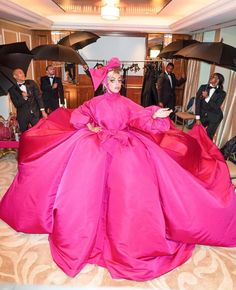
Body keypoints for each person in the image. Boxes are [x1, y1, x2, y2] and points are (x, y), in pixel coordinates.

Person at [0, 57, 235, 281]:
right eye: (112, 81)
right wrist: (90, 126)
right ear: (104, 82)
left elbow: (140, 118)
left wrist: (155, 114)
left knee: (130, 191)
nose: (116, 84)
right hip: (98, 147)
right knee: (86, 189)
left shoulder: (126, 102)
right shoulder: (95, 102)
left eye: (119, 80)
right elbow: (78, 116)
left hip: (125, 148)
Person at [8, 68, 47, 133]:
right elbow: (16, 104)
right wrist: (24, 98)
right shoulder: (12, 89)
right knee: (25, 135)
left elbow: (38, 97)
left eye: (23, 72)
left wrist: (43, 111)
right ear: (15, 76)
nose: (23, 74)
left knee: (38, 133)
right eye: (20, 73)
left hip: (35, 114)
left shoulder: (31, 83)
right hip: (23, 116)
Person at [195, 73, 226, 139]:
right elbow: (197, 102)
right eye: (211, 76)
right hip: (203, 114)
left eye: (214, 77)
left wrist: (207, 97)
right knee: (197, 132)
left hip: (215, 116)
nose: (211, 77)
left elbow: (216, 107)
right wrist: (197, 118)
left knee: (208, 136)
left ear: (218, 81)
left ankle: (206, 149)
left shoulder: (222, 93)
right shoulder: (203, 87)